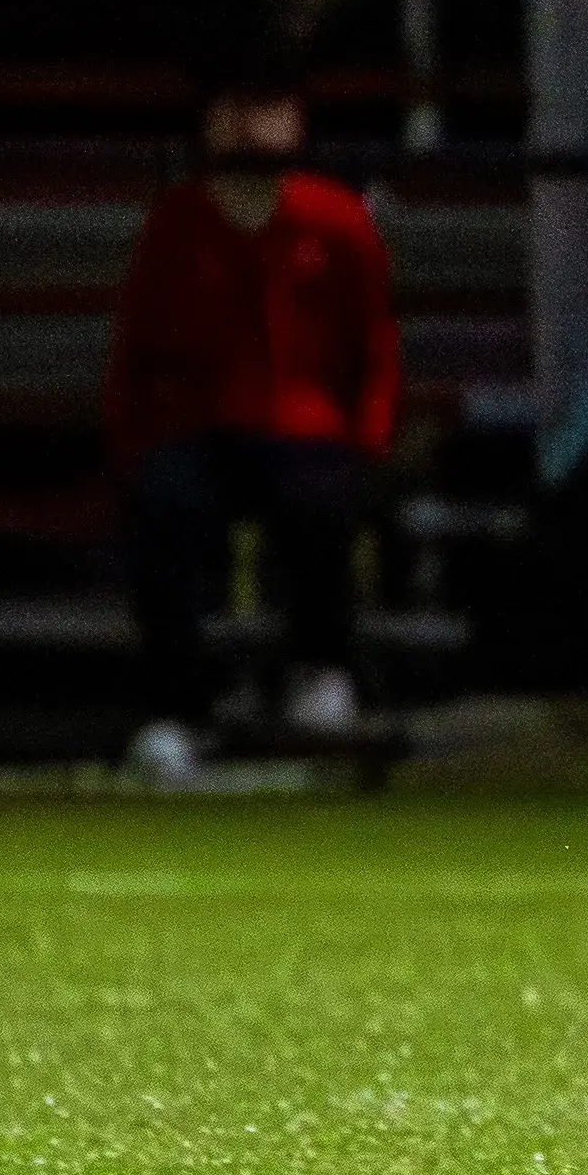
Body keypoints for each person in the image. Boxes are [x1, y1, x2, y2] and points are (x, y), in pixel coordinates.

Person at [106, 57, 404, 777]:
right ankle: (176, 707)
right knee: (164, 506)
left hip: (308, 430)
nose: (249, 124)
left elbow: (375, 343)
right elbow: (134, 347)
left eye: (267, 106)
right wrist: (132, 445)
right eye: (234, 106)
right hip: (199, 429)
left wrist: (367, 439)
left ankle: (320, 668)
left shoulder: (336, 218)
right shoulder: (177, 220)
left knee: (318, 503)